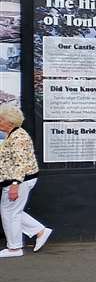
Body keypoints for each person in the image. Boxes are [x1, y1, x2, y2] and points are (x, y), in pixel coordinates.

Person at [0, 104, 51, 258]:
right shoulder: (14, 135)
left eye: (1, 119)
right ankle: (39, 231)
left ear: (10, 121)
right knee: (13, 211)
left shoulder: (18, 137)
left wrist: (15, 184)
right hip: (18, 180)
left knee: (10, 212)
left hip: (19, 181)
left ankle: (14, 248)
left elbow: (20, 162)